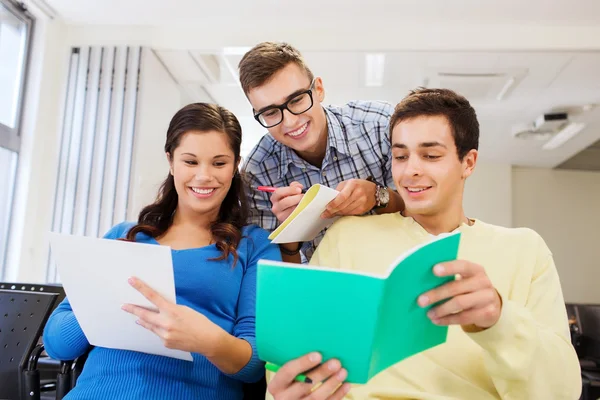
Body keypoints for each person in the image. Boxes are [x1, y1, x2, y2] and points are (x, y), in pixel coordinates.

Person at [266, 88, 582, 400]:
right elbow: (294, 355)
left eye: (430, 155)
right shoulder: (347, 236)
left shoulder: (525, 250)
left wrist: (500, 320)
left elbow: (562, 391)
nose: (411, 170)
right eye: (400, 156)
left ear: (468, 163)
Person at [43, 103, 282, 399]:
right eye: (191, 162)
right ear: (171, 162)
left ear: (235, 166)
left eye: (219, 163)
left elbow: (254, 367)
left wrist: (208, 340)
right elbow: (57, 344)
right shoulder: (125, 236)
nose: (205, 176)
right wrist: (104, 288)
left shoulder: (256, 246)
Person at [239, 42, 404, 262]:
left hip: (393, 276)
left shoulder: (379, 124)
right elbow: (278, 281)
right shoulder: (257, 171)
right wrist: (289, 236)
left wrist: (379, 196)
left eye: (297, 100)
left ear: (318, 89)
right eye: (270, 112)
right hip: (319, 289)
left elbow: (423, 217)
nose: (290, 121)